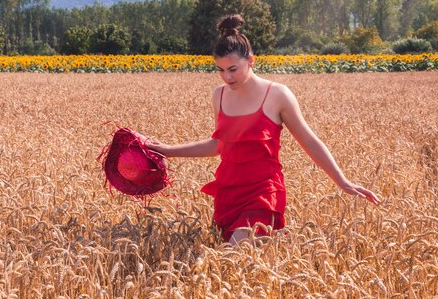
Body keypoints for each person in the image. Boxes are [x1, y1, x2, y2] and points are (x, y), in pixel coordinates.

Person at [144, 14, 381, 245]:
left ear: (251, 61)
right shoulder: (219, 96)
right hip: (228, 192)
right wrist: (167, 150)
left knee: (235, 253)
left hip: (263, 192)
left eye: (233, 69)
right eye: (220, 69)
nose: (227, 76)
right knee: (237, 265)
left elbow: (308, 140)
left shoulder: (277, 95)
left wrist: (343, 182)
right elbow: (219, 145)